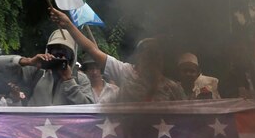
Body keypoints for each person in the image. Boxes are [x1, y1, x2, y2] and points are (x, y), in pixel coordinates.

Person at [48, 8, 183, 102]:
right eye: (146, 54)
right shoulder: (126, 72)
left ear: (161, 60)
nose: (149, 59)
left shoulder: (172, 89)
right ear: (139, 57)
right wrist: (68, 24)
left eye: (154, 55)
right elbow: (91, 49)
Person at [0, 29, 94, 106]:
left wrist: (69, 81)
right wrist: (28, 61)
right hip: (35, 130)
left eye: (64, 51)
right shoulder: (36, 72)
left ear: (72, 55)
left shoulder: (80, 79)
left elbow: (88, 109)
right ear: (47, 51)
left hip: (65, 132)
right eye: (54, 50)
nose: (58, 55)